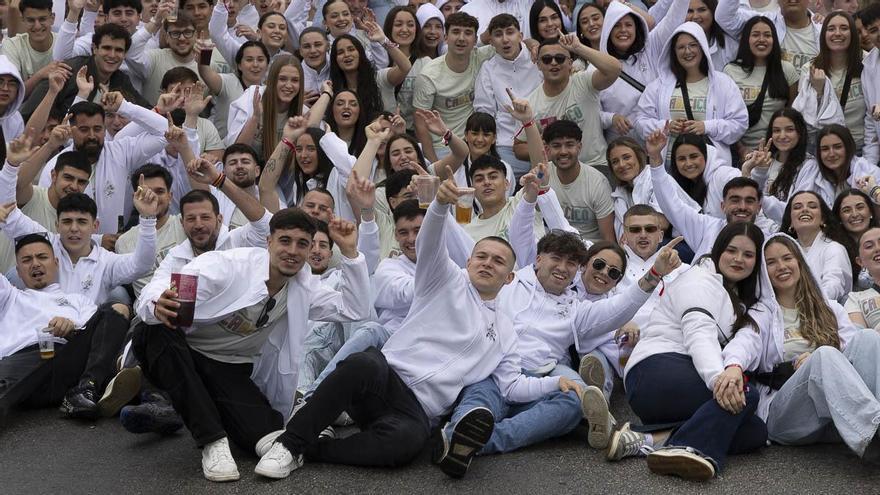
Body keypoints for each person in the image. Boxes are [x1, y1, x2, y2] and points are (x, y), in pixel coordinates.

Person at [250, 167, 577, 480]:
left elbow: (511, 385)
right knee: (363, 362)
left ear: (509, 277)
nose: (487, 264)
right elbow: (430, 240)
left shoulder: (505, 331)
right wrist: (439, 204)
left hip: (418, 410)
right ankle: (289, 445)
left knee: (405, 446)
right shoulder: (444, 278)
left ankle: (313, 448)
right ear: (468, 260)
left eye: (497, 261)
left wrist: (556, 384)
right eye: (481, 256)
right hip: (387, 379)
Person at [440, 175, 681, 467]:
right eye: (556, 258)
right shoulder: (513, 278)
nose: (563, 268)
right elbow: (520, 230)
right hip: (491, 371)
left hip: (540, 378)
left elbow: (620, 308)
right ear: (538, 259)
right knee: (477, 400)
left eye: (571, 263)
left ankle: (475, 443)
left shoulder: (576, 308)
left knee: (571, 403)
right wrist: (531, 195)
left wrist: (653, 274)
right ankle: (466, 434)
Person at [132, 209, 371, 482]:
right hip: (180, 352)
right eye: (285, 240)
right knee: (159, 327)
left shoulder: (303, 286)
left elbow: (355, 309)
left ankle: (193, 411)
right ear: (269, 242)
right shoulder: (229, 266)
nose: (293, 251)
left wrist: (351, 252)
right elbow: (171, 282)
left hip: (229, 366)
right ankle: (212, 441)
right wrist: (156, 301)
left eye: (302, 243)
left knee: (263, 438)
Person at [614, 222, 767, 481]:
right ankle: (689, 446)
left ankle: (651, 438)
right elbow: (699, 333)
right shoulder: (700, 279)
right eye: (731, 250)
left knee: (755, 432)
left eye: (748, 254)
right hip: (655, 371)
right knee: (742, 394)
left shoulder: (734, 295)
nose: (739, 259)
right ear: (718, 251)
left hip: (677, 386)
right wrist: (719, 380)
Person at [752, 234, 880, 461]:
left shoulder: (830, 308)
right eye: (771, 262)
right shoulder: (761, 314)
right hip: (785, 414)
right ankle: (873, 429)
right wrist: (731, 366)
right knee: (824, 354)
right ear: (763, 270)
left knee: (868, 338)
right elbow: (743, 345)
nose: (781, 266)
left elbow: (856, 355)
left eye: (787, 258)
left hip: (831, 418)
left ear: (800, 262)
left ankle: (871, 425)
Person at [0, 232, 132, 424]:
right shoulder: (10, 298)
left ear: (56, 263)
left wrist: (72, 330)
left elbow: (99, 339)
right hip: (24, 363)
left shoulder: (78, 301)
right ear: (18, 271)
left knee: (118, 308)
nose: (35, 264)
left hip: (67, 364)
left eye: (42, 257)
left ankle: (87, 388)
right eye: (27, 260)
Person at [36, 95, 168, 234]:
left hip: (115, 248)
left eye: (97, 129)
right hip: (71, 249)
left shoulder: (121, 152)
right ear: (71, 131)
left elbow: (165, 132)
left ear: (105, 129)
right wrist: (99, 242)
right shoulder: (55, 167)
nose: (92, 136)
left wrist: (124, 107)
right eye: (84, 129)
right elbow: (48, 217)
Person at [632, 22, 748, 167]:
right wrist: (665, 126)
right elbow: (639, 121)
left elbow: (739, 123)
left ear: (702, 47)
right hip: (669, 167)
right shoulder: (658, 86)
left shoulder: (723, 83)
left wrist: (706, 127)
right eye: (681, 47)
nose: (687, 51)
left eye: (693, 45)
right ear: (673, 51)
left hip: (711, 167)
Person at [646, 126, 768, 260]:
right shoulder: (708, 227)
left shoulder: (722, 174)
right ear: (723, 206)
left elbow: (746, 189)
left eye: (694, 156)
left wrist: (755, 173)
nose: (688, 163)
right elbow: (671, 204)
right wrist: (655, 158)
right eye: (682, 159)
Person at [514, 32, 621, 171]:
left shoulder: (584, 82)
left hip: (595, 165)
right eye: (546, 59)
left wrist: (578, 48)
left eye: (560, 58)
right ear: (538, 64)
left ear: (570, 63)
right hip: (556, 173)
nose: (553, 63)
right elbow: (518, 147)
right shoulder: (531, 103)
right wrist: (548, 149)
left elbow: (615, 69)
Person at [597, 0, 687, 141]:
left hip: (660, 141)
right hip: (623, 149)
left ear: (636, 28)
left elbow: (674, 18)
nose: (623, 30)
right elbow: (592, 112)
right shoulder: (596, 67)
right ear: (608, 29)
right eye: (616, 26)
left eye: (628, 25)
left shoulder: (651, 48)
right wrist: (611, 118)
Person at [22, 23, 150, 118]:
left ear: (125, 54)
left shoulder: (121, 79)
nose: (112, 55)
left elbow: (145, 110)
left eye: (118, 50)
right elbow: (29, 113)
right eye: (106, 48)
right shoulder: (67, 71)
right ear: (94, 48)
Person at [412, 12, 493, 162]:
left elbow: (513, 45)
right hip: (443, 146)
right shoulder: (429, 75)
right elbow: (420, 124)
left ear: (475, 40)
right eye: (456, 32)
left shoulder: (481, 56)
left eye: (468, 33)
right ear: (446, 37)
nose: (461, 38)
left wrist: (531, 44)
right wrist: (434, 162)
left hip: (475, 142)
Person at [473, 14, 541, 179]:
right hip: (506, 146)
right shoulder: (488, 69)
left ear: (520, 36)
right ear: (491, 41)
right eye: (498, 34)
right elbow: (484, 111)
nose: (505, 39)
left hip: (542, 139)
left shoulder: (538, 59)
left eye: (510, 32)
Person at [723, 16, 798, 161]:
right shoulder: (730, 71)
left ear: (774, 40)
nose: (762, 39)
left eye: (767, 35)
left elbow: (792, 112)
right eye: (756, 35)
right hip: (742, 154)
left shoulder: (787, 69)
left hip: (778, 152)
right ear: (746, 39)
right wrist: (741, 150)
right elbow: (725, 115)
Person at [791, 12, 865, 152]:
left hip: (861, 149)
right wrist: (818, 92)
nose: (837, 33)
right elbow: (805, 119)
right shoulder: (809, 69)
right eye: (831, 29)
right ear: (823, 35)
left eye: (844, 28)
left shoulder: (867, 64)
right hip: (826, 151)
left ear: (853, 33)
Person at [778, 190, 854, 302]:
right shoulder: (783, 251)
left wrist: (804, 304)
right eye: (797, 207)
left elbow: (833, 286)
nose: (805, 210)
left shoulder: (834, 248)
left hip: (824, 313)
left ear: (822, 219)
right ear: (791, 222)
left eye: (812, 206)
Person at [126, 7, 199, 104]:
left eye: (187, 32)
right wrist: (156, 21)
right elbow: (130, 52)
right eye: (175, 33)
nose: (182, 38)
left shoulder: (206, 66)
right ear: (167, 37)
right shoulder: (154, 58)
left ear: (196, 35)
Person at [1, 0, 57, 96]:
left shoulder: (63, 43)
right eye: (31, 20)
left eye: (42, 19)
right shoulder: (11, 45)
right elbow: (11, 94)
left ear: (52, 18)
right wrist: (40, 75)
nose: (37, 26)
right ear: (22, 19)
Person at [847, 226, 880, 328]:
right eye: (869, 246)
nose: (878, 248)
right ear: (860, 262)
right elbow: (860, 338)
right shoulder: (855, 299)